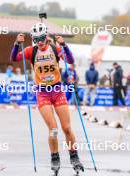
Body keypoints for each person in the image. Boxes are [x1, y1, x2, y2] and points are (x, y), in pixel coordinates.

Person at [10, 22, 84, 174]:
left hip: (57, 91)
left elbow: (70, 61)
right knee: (53, 129)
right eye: (36, 39)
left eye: (42, 38)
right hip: (42, 93)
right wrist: (17, 43)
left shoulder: (55, 49)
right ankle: (55, 157)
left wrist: (64, 45)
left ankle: (74, 156)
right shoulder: (31, 50)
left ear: (46, 37)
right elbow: (13, 58)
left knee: (67, 128)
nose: (39, 42)